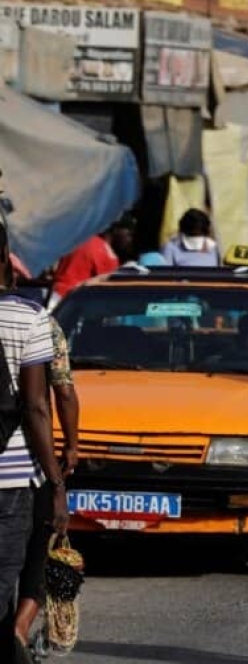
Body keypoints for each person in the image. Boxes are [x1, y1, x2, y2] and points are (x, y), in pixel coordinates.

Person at [0, 224, 66, 661]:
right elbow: (37, 407)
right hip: (11, 478)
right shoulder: (30, 318)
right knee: (6, 573)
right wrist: (57, 483)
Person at [13, 314, 79, 651]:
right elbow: (62, 391)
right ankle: (20, 630)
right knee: (40, 548)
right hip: (29, 460)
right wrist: (70, 444)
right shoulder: (39, 322)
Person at [48, 226, 124, 307]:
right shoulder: (109, 255)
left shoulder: (77, 239)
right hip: (74, 305)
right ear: (115, 231)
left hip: (54, 295)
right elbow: (107, 293)